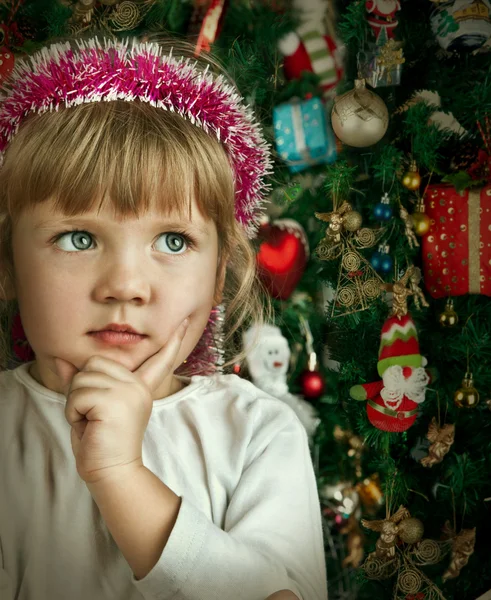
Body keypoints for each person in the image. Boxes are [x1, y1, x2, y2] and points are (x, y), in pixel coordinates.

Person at [0, 33, 328, 600]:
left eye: (173, 242)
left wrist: (120, 476)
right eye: (78, 238)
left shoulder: (256, 433)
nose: (125, 285)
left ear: (220, 269)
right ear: (7, 262)